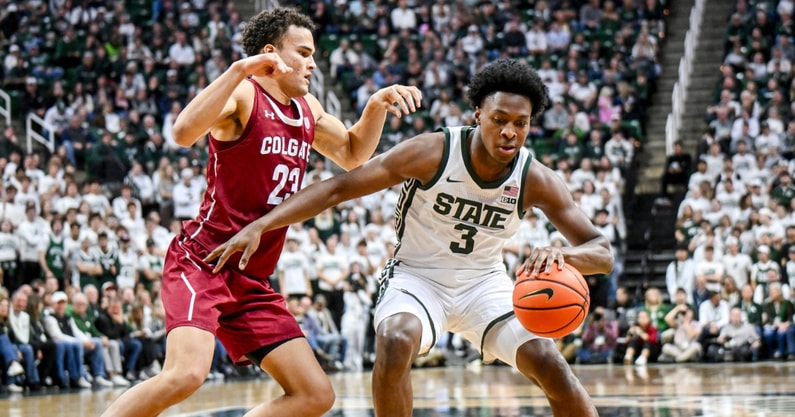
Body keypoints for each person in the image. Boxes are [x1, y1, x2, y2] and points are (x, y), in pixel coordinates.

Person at [205, 59, 612, 417]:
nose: (509, 132)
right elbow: (337, 188)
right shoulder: (432, 152)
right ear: (478, 116)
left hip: (484, 282)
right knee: (396, 339)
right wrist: (263, 224)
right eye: (499, 119)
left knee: (550, 362)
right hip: (416, 276)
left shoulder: (534, 178)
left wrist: (565, 255)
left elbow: (602, 251)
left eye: (519, 124)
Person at [100, 7, 422, 417]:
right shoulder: (243, 94)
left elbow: (353, 154)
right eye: (303, 53)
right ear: (271, 54)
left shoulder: (308, 108)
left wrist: (376, 106)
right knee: (185, 374)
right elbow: (181, 133)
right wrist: (238, 70)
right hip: (204, 260)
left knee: (314, 394)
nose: (311, 63)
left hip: (251, 277)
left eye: (313, 55)